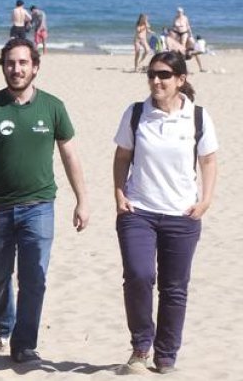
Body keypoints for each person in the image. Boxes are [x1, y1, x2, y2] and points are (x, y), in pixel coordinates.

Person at [0, 38, 89, 364]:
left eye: (23, 63)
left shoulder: (53, 107)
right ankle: (3, 326)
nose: (16, 69)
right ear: (3, 66)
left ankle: (24, 343)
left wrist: (82, 200)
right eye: (10, 63)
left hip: (39, 207)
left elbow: (70, 155)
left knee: (34, 276)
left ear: (35, 66)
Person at [111, 51, 218, 375]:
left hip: (182, 215)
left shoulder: (197, 116)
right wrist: (118, 194)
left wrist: (206, 200)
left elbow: (209, 161)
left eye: (164, 75)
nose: (156, 80)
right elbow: (121, 157)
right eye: (152, 74)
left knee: (174, 287)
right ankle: (141, 346)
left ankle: (166, 355)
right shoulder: (135, 113)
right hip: (138, 210)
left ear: (180, 80)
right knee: (139, 276)